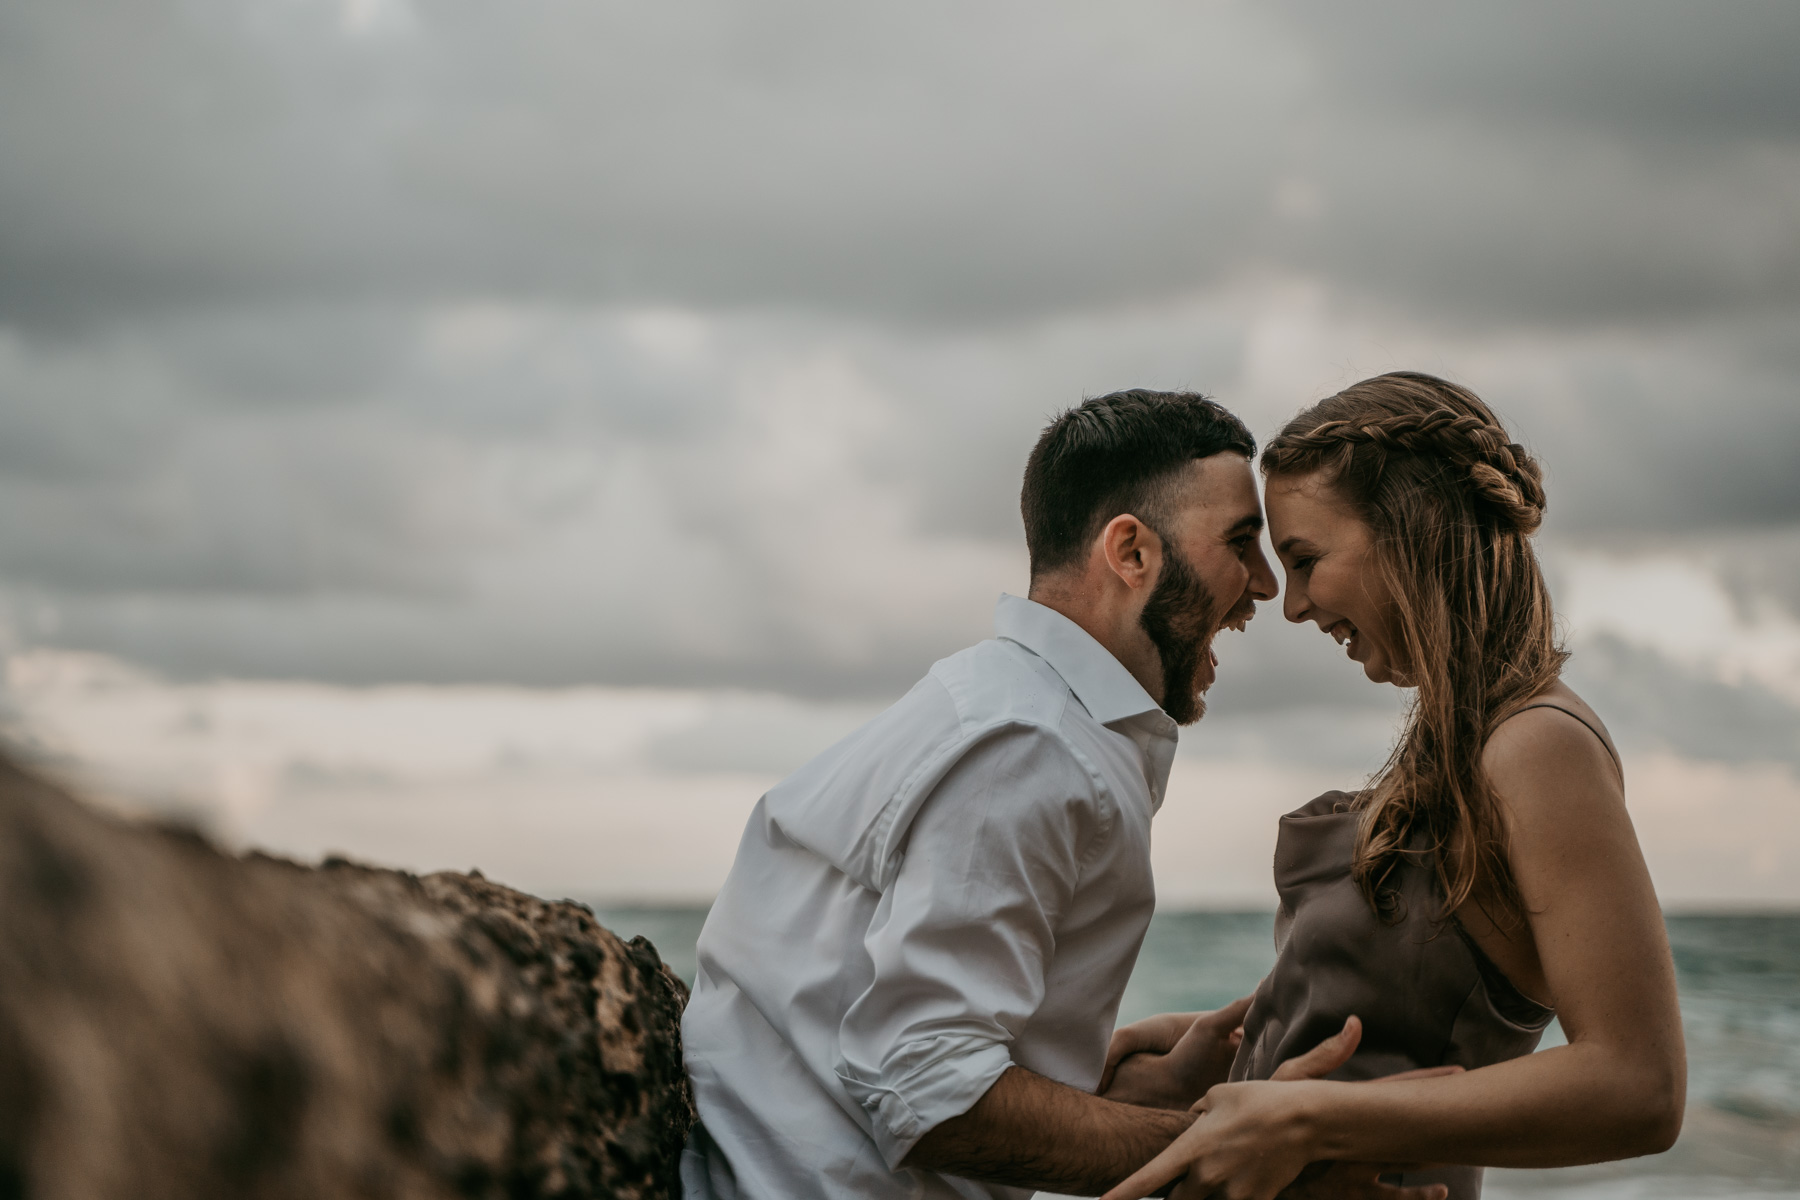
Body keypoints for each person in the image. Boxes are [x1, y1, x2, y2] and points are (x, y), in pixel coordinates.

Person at [679, 391, 1436, 1200]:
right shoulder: (1030, 747)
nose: (1262, 585)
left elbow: (888, 1052)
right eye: (1241, 543)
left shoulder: (1005, 707)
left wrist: (1134, 1096)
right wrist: (1256, 1157)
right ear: (1132, 552)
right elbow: (926, 1092)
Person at [1100, 372, 1687, 1200]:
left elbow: (1639, 1087)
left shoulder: (1539, 746)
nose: (1292, 604)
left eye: (1305, 559)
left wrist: (1307, 1122)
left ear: (1413, 533)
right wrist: (1239, 1037)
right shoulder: (1462, 747)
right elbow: (1411, 1013)